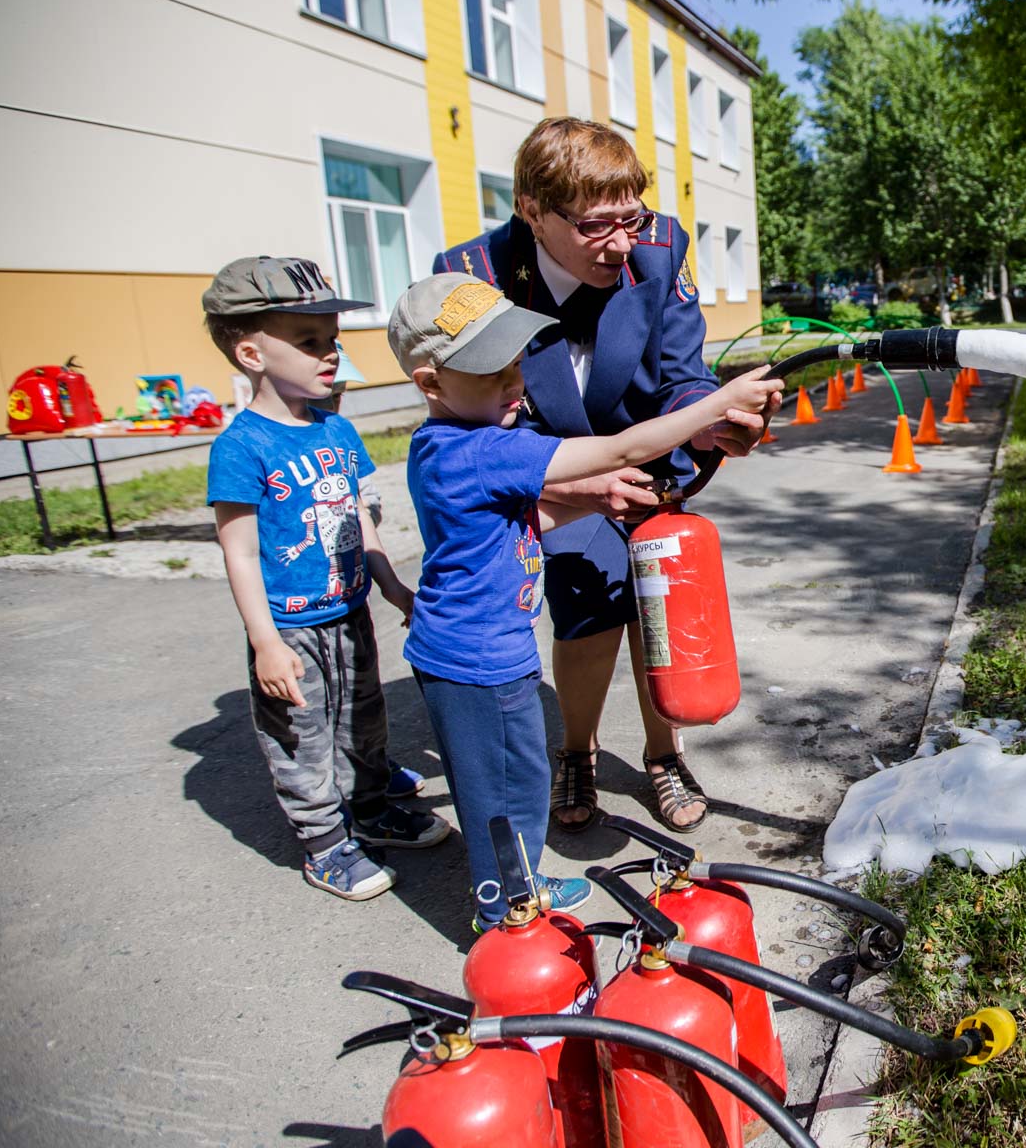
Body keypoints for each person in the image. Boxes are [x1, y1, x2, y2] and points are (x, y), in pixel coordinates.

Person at [387, 272, 784, 928]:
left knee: (517, 787)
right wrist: (718, 405)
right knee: (500, 798)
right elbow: (623, 447)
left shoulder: (442, 445)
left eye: (516, 368)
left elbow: (514, 524)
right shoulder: (485, 447)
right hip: (474, 663)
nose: (516, 387)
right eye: (494, 377)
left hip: (487, 653)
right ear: (430, 382)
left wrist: (593, 499)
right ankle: (506, 919)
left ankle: (525, 886)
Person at [433, 117, 773, 834]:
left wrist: (711, 422)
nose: (622, 243)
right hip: (552, 470)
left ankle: (663, 752)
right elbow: (489, 418)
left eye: (632, 217)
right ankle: (577, 752)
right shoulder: (473, 277)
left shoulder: (658, 246)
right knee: (586, 612)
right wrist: (574, 488)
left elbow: (681, 376)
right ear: (532, 211)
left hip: (650, 463)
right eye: (596, 226)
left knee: (663, 607)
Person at [203, 256, 450, 902]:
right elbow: (240, 554)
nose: (330, 353)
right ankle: (323, 843)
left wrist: (392, 587)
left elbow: (357, 522)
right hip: (290, 626)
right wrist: (265, 643)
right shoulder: (242, 446)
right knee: (301, 737)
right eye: (309, 342)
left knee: (365, 720)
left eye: (332, 340)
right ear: (252, 352)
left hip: (350, 612)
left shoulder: (335, 429)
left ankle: (371, 809)